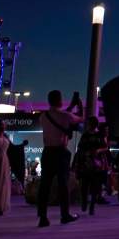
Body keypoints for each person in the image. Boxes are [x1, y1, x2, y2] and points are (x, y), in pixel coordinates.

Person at [39, 89, 82, 227]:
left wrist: (69, 107)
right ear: (60, 100)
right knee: (63, 185)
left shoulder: (43, 116)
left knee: (45, 186)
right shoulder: (65, 116)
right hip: (60, 153)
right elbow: (79, 117)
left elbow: (59, 115)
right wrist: (79, 104)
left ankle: (43, 217)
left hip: (47, 152)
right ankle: (65, 215)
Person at [75, 117, 108, 215]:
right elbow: (80, 148)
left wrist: (98, 151)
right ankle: (85, 202)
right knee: (84, 186)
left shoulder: (100, 135)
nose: (90, 125)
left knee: (95, 186)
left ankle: (92, 206)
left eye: (91, 123)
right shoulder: (85, 135)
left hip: (96, 164)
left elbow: (105, 147)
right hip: (86, 163)